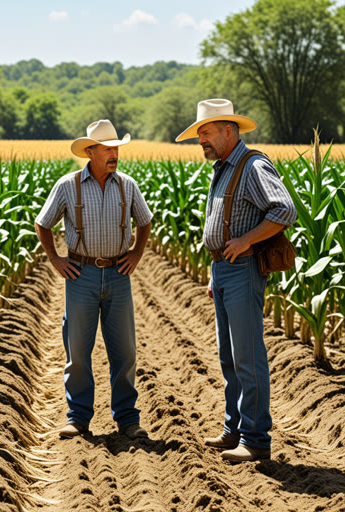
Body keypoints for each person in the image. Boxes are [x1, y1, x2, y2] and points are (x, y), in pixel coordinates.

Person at [176, 99, 297, 462]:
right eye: (199, 135)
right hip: (224, 270)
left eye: (206, 133)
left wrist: (246, 240)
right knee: (229, 357)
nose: (201, 141)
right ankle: (234, 430)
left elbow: (284, 209)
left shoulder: (253, 165)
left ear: (229, 130)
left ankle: (256, 439)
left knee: (247, 356)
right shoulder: (223, 167)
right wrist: (215, 270)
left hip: (244, 269)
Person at [35, 119, 153, 439]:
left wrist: (136, 254)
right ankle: (78, 417)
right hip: (81, 274)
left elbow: (145, 222)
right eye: (107, 149)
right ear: (90, 151)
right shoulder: (67, 186)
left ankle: (128, 419)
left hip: (118, 274)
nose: (114, 154)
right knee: (77, 350)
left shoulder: (127, 185)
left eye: (116, 148)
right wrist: (55, 259)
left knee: (125, 351)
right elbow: (42, 223)